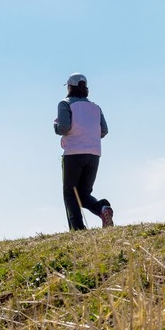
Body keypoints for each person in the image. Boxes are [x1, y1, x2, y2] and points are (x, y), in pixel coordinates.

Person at [54, 73, 114, 230]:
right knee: (83, 193)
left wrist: (56, 126)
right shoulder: (95, 107)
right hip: (94, 155)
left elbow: (64, 128)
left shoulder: (65, 104)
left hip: (73, 153)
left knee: (70, 193)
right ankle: (102, 208)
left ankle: (77, 229)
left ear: (69, 87)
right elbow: (104, 130)